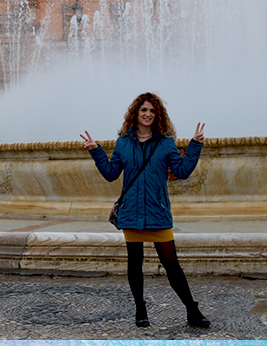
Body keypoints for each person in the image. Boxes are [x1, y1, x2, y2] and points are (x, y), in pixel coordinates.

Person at [80, 92, 210, 329]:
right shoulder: (123, 143)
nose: (148, 114)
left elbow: (181, 172)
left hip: (157, 211)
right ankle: (140, 310)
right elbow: (111, 174)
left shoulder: (166, 142)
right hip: (131, 212)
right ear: (135, 114)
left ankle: (192, 310)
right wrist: (96, 151)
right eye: (144, 110)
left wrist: (195, 146)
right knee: (134, 263)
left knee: (172, 264)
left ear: (157, 115)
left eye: (152, 110)